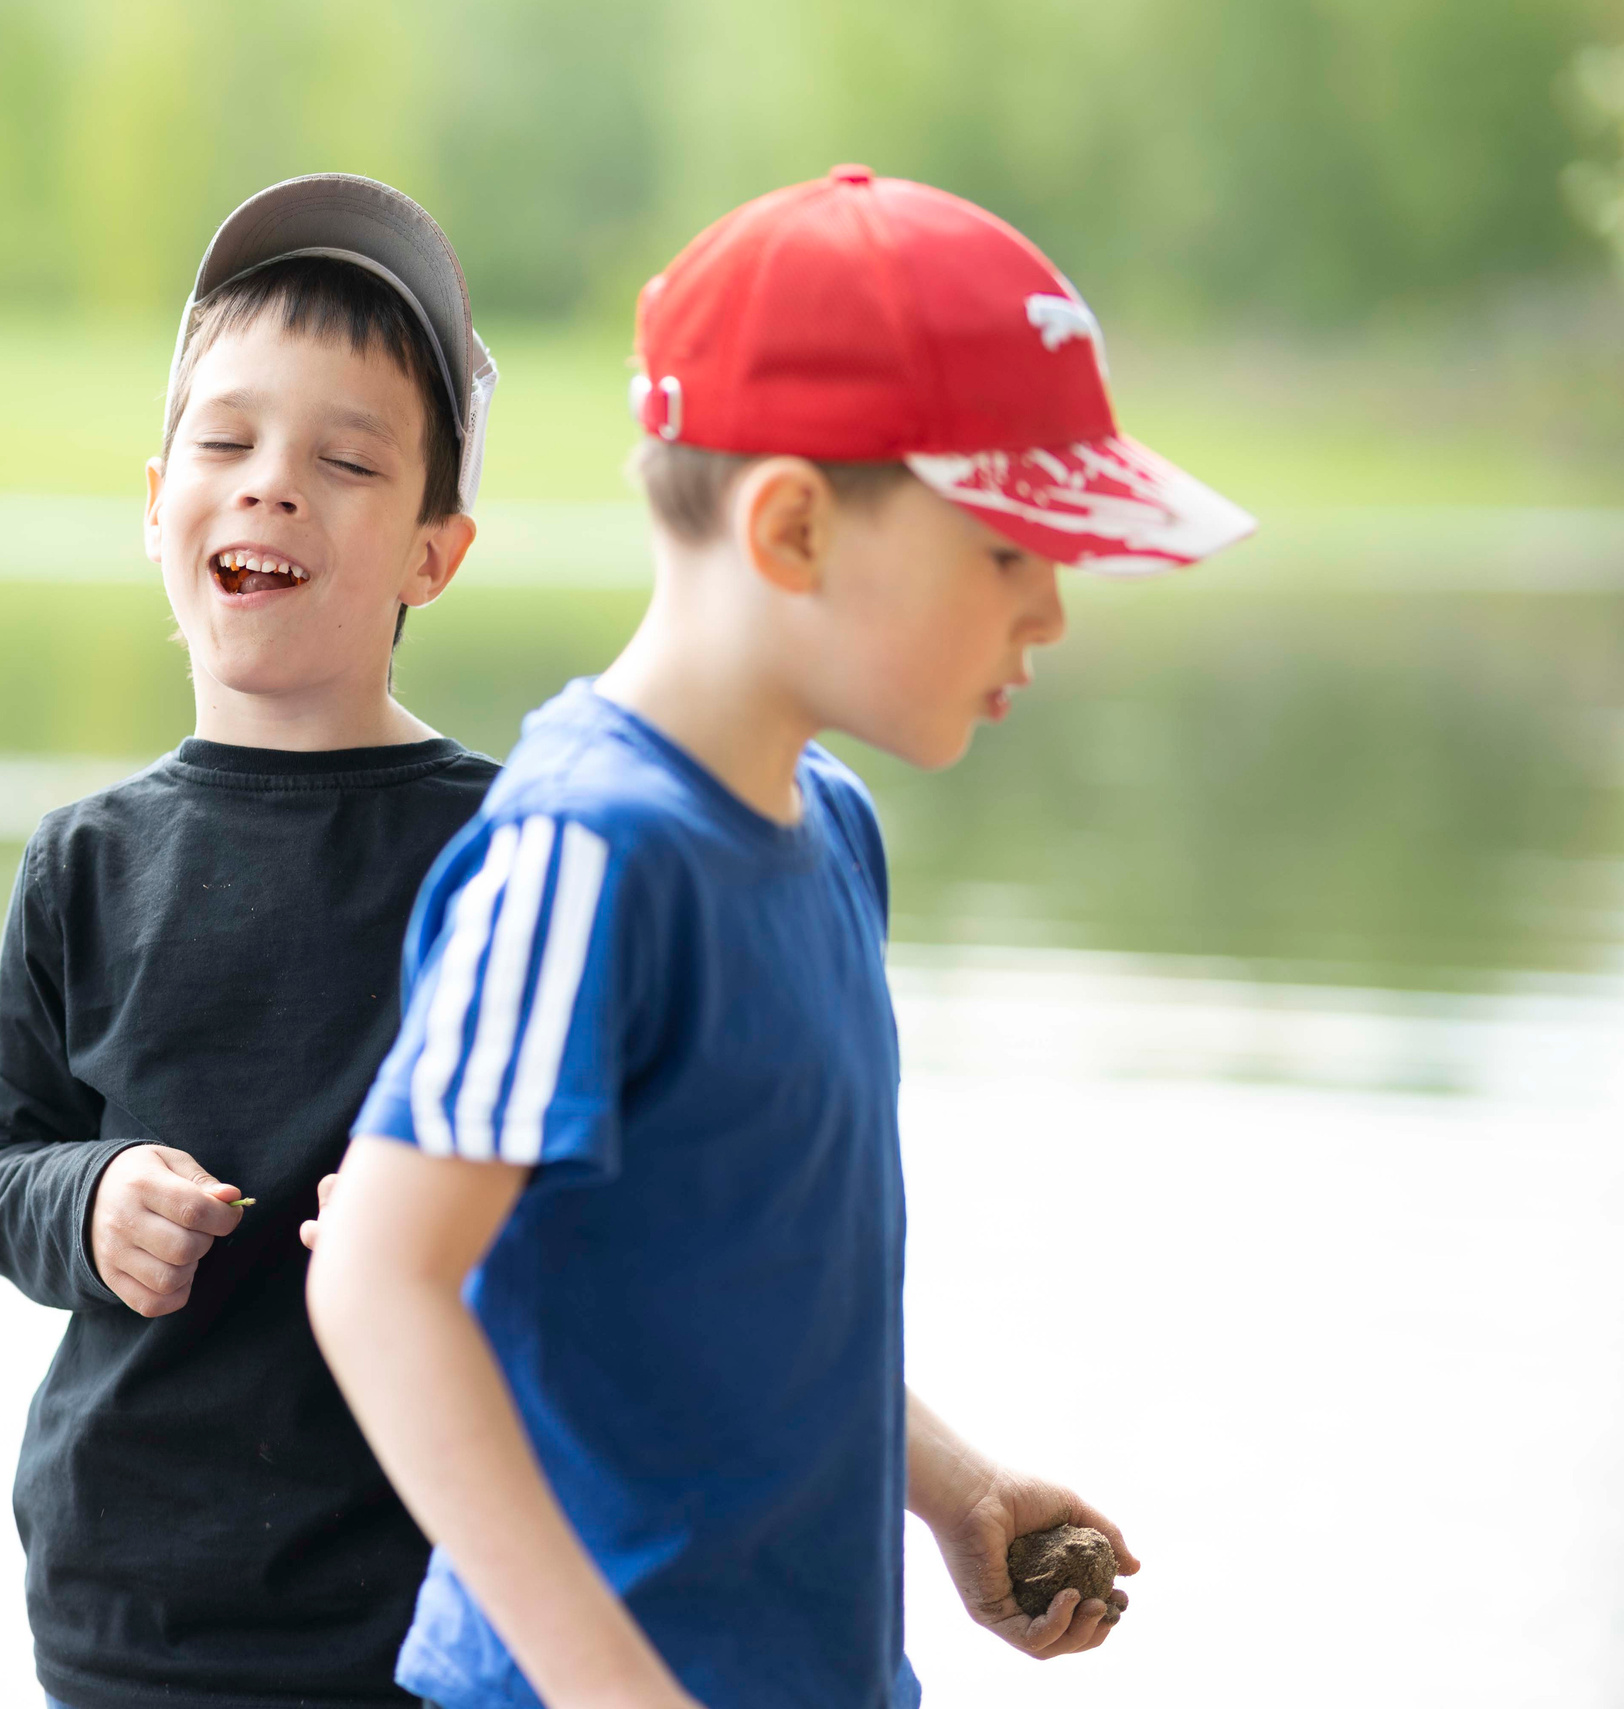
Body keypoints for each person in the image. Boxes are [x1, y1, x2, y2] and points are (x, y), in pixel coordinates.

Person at [302, 166, 1257, 1709]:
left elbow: (733, 1297)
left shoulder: (831, 830)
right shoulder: (582, 856)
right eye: (1013, 550)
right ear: (797, 527)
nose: (1052, 614)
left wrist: (953, 1489)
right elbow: (379, 1280)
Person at [0, 174, 503, 1709]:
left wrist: (468, 1236)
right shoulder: (89, 862)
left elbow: (625, 1197)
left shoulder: (509, 856)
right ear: (154, 502)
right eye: (226, 440)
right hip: (129, 1610)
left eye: (344, 459)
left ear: (432, 554)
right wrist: (96, 1193)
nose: (271, 486)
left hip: (420, 1604)